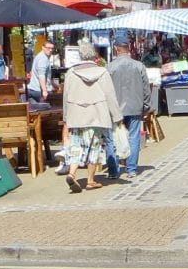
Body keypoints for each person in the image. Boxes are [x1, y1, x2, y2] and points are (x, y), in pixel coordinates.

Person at [62, 39, 123, 192]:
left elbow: (66, 96)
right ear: (94, 55)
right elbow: (110, 96)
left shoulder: (71, 73)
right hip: (97, 115)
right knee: (94, 147)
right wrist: (117, 116)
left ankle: (72, 173)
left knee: (76, 145)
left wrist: (66, 117)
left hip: (76, 115)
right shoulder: (102, 72)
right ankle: (90, 180)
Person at [105, 40, 151, 181]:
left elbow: (105, 90)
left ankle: (113, 171)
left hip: (115, 108)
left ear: (116, 48)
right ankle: (131, 169)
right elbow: (146, 88)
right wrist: (146, 106)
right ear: (128, 48)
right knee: (134, 137)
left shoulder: (110, 67)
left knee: (112, 139)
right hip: (135, 106)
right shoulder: (139, 66)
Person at [27, 40, 55, 104]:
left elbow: (44, 76)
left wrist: (54, 85)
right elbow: (41, 75)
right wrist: (44, 91)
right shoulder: (43, 59)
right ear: (43, 47)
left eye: (52, 48)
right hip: (39, 91)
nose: (50, 50)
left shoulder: (40, 56)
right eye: (48, 48)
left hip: (33, 89)